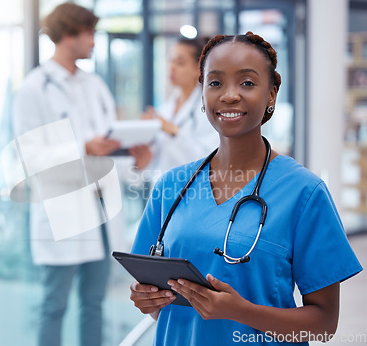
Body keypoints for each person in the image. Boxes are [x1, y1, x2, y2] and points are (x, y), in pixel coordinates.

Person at [129, 32, 363, 345]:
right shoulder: (171, 186)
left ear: (272, 94)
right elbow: (158, 300)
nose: (229, 95)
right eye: (215, 83)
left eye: (247, 83)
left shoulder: (304, 193)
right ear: (202, 94)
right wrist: (148, 300)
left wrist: (241, 312)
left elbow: (322, 327)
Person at [12, 3, 122, 346]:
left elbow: (109, 133)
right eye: (89, 33)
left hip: (102, 208)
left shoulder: (94, 84)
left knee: (94, 303)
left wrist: (128, 146)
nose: (93, 41)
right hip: (63, 211)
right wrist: (82, 147)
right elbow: (30, 155)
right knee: (54, 305)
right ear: (70, 35)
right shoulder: (34, 88)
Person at [130, 36, 219, 179]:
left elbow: (210, 160)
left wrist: (172, 130)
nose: (172, 67)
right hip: (163, 192)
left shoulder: (209, 111)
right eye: (170, 60)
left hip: (193, 191)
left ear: (198, 69)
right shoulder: (164, 110)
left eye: (180, 62)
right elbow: (156, 164)